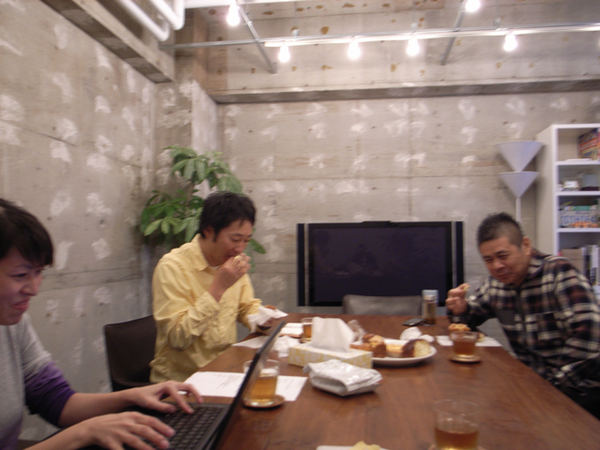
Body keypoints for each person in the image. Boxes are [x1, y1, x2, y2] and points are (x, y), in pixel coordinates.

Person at [0, 198, 203, 450]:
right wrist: (83, 432)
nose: (34, 289)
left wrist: (133, 396)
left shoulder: (14, 324)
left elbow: (57, 401)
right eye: (20, 275)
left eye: (38, 272)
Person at [446, 212, 600, 418]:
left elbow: (590, 337)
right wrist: (460, 308)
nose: (496, 266)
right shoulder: (496, 284)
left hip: (581, 391)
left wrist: (550, 391)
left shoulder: (560, 273)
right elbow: (471, 316)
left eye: (503, 256)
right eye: (488, 260)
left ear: (525, 246)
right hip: (533, 386)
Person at [150, 192, 271, 383]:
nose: (240, 248)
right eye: (235, 239)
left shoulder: (233, 261)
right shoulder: (172, 267)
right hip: (182, 383)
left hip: (225, 371)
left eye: (246, 240)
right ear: (208, 231)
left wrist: (264, 320)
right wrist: (218, 287)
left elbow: (246, 306)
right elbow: (177, 338)